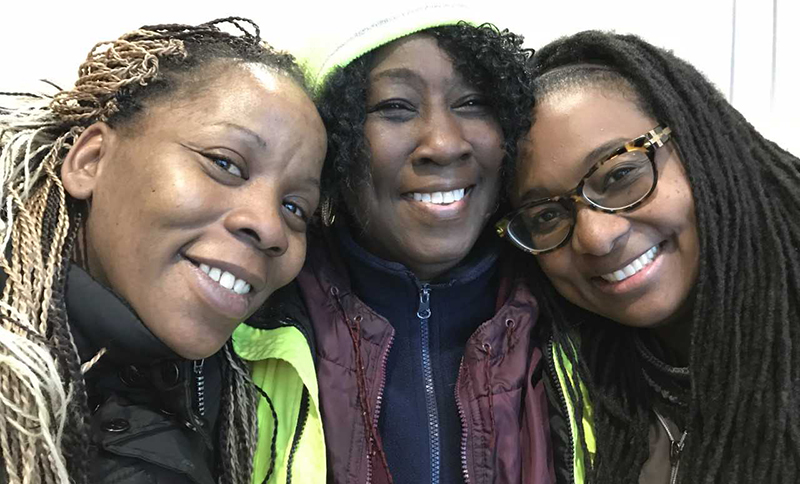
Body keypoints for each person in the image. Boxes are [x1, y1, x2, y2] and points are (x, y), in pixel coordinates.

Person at [235, 4, 553, 484]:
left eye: (473, 103)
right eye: (395, 107)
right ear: (333, 140)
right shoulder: (251, 325)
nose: (444, 144)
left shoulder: (570, 319)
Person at [0, 18, 326, 484]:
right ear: (92, 160)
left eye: (295, 207)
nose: (271, 227)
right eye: (225, 164)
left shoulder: (252, 405)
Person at [496, 30, 800, 483]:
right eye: (545, 216)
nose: (596, 238)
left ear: (701, 143)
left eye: (620, 174)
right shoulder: (573, 391)